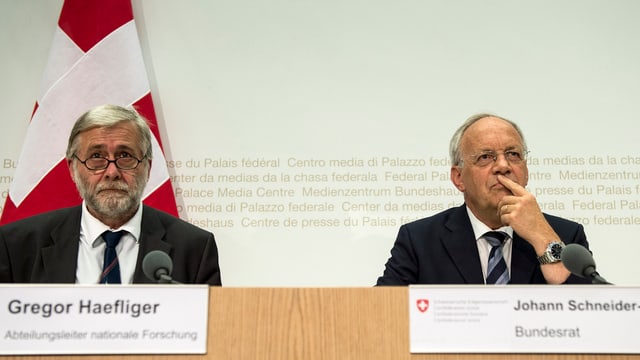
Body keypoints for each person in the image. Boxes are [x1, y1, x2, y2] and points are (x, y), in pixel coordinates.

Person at [0, 104, 221, 285]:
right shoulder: (16, 245)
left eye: (125, 156)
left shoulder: (194, 249)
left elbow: (210, 333)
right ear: (73, 169)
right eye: (96, 156)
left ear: (148, 167)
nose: (112, 172)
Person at [377, 113, 591, 285]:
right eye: (485, 157)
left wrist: (541, 235)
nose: (503, 166)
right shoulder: (420, 240)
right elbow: (381, 312)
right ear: (458, 177)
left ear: (525, 171)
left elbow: (589, 312)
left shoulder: (567, 235)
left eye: (513, 154)